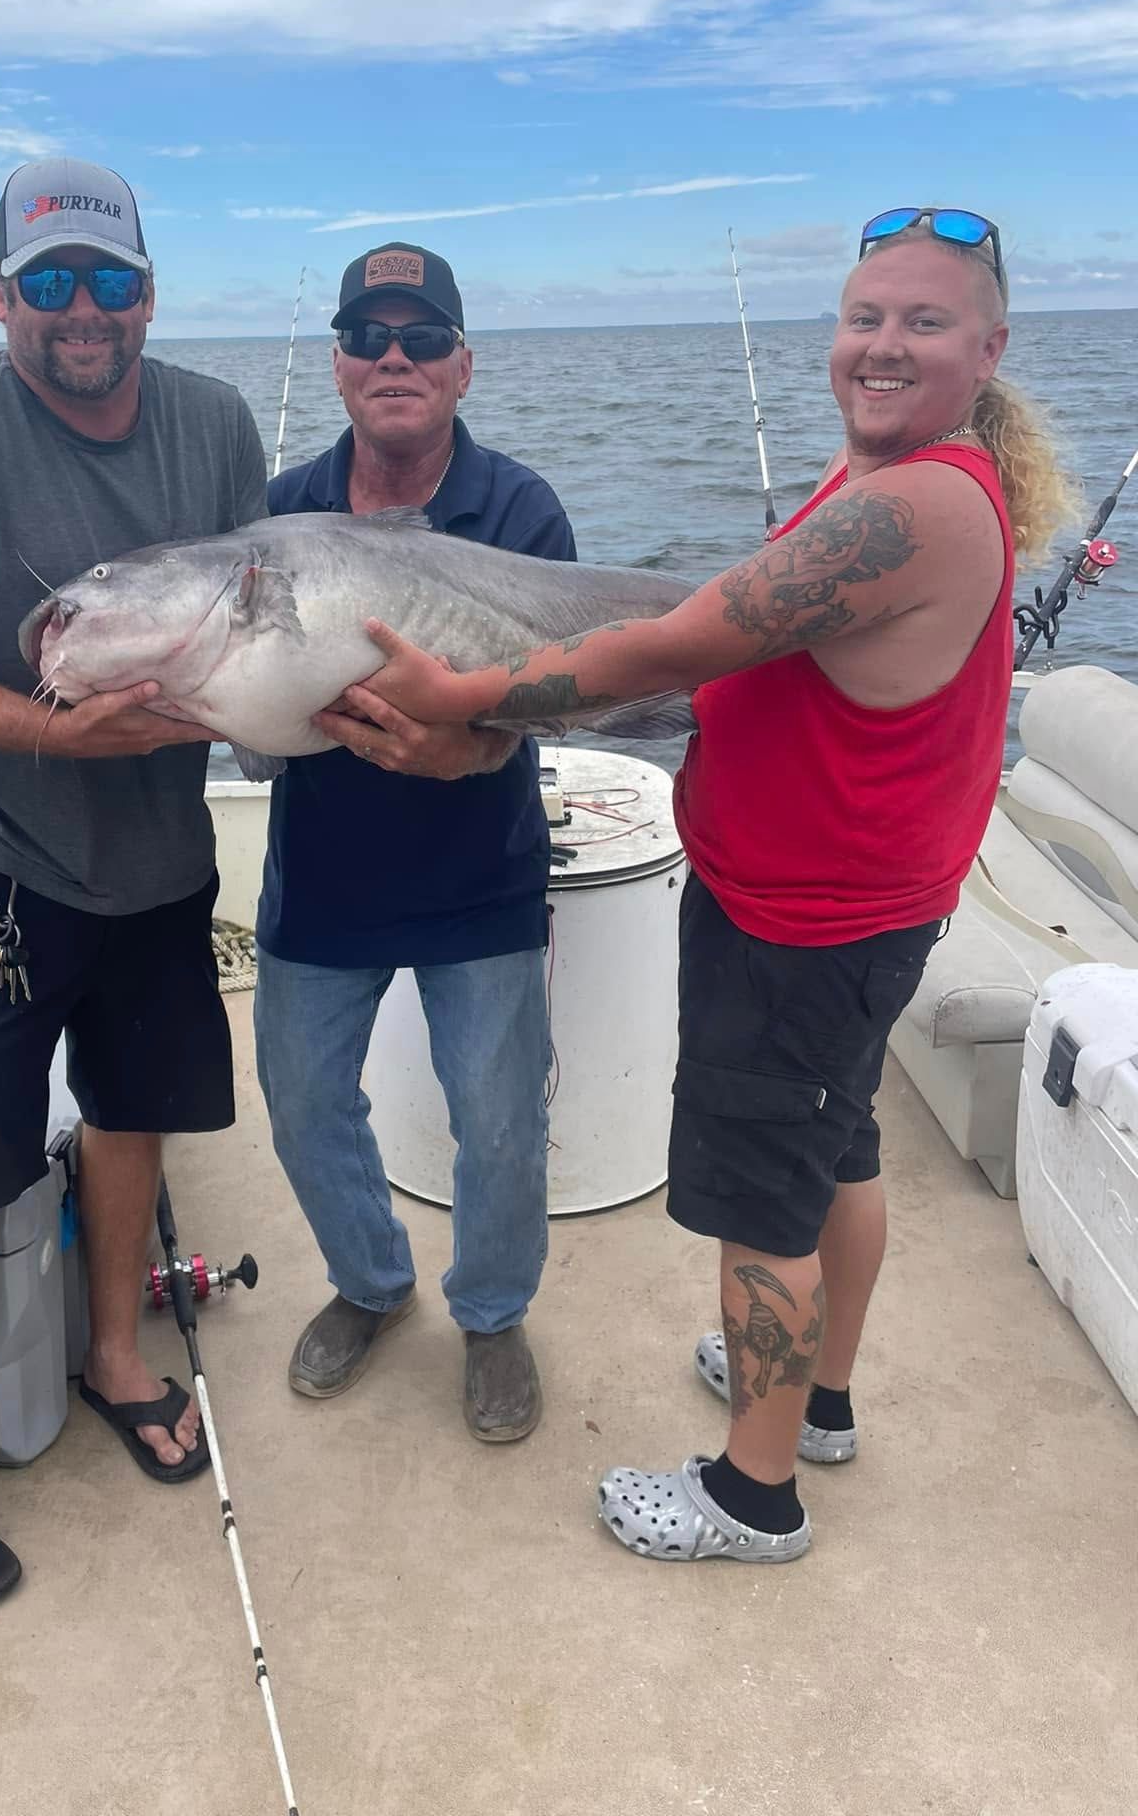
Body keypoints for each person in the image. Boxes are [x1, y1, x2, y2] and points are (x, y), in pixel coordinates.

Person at [358, 207, 1080, 1555]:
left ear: (987, 347)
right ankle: (821, 1400)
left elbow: (673, 647)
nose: (882, 343)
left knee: (763, 1204)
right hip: (860, 900)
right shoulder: (923, 471)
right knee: (834, 1151)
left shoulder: (912, 502)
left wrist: (459, 693)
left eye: (924, 322)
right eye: (865, 316)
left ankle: (755, 1495)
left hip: (805, 921)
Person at [0, 157, 267, 1609]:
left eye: (112, 281)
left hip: (157, 855)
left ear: (150, 288)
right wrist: (50, 732)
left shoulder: (213, 422)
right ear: (1, 294)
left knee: (136, 1110)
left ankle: (113, 1353)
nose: (84, 313)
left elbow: (260, 611)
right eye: (51, 284)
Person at [255, 242, 575, 1443]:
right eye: (371, 336)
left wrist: (472, 748)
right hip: (322, 878)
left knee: (497, 1121)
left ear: (462, 365)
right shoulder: (286, 512)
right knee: (298, 1102)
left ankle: (492, 1314)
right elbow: (252, 711)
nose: (396, 357)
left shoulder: (522, 507)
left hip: (478, 877)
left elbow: (567, 681)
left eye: (423, 337)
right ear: (337, 364)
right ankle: (369, 1281)